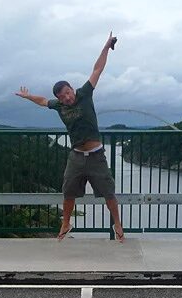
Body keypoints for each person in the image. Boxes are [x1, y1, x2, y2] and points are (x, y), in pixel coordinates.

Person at [15, 31, 125, 242]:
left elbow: (97, 69)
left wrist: (106, 47)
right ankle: (66, 222)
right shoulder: (58, 106)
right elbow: (42, 101)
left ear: (72, 89)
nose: (66, 97)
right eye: (62, 96)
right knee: (68, 192)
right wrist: (28, 96)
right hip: (76, 156)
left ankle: (117, 223)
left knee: (108, 193)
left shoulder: (84, 94)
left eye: (67, 91)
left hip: (96, 155)